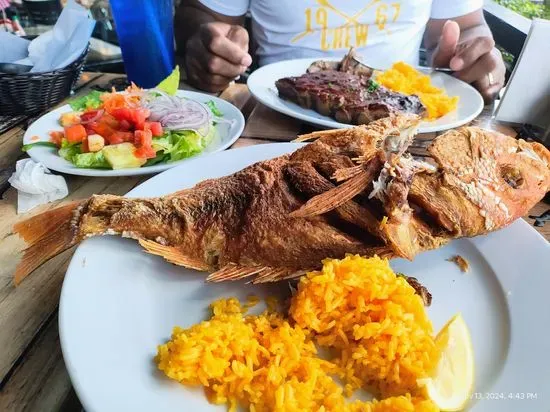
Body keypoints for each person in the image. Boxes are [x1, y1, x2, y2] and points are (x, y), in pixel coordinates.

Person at [176, 0, 505, 103]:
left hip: (403, 116)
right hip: (277, 113)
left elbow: (467, 25)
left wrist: (471, 56)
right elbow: (203, 12)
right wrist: (208, 47)